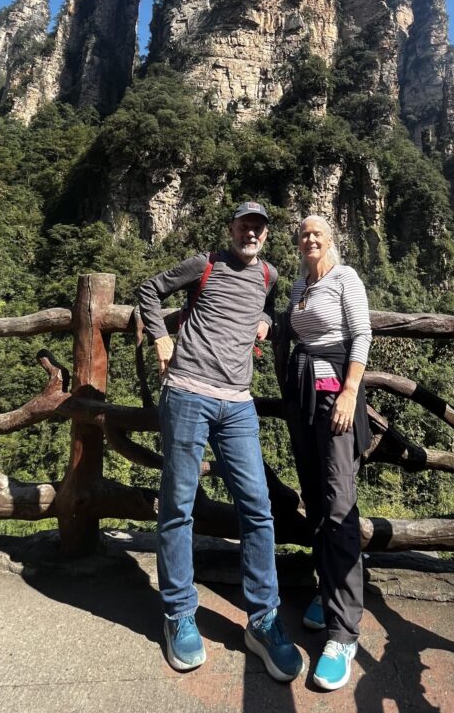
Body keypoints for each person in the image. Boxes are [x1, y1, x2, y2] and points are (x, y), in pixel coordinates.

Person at [137, 201, 303, 682]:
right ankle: (178, 613)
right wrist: (160, 337)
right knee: (178, 505)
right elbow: (149, 289)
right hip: (187, 392)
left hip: (238, 403)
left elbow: (266, 307)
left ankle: (263, 620)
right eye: (244, 225)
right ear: (231, 228)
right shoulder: (204, 263)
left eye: (259, 227)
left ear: (265, 235)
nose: (251, 232)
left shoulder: (268, 275)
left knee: (257, 507)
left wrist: (266, 321)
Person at [285, 214, 372, 691]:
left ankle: (344, 633)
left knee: (339, 504)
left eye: (317, 232)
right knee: (316, 499)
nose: (310, 238)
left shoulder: (345, 278)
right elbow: (293, 330)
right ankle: (327, 589)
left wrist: (349, 392)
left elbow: (362, 334)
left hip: (336, 390)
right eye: (304, 234)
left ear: (330, 238)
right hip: (303, 394)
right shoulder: (300, 284)